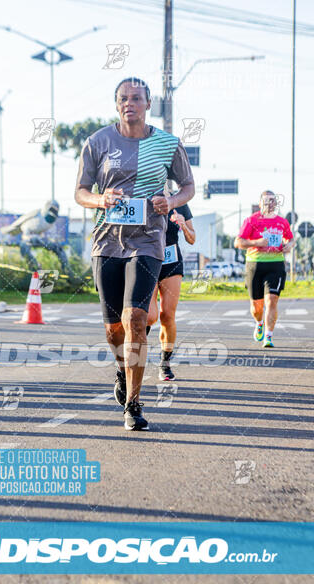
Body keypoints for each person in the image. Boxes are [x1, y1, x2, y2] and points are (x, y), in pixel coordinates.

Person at [75, 77, 195, 430]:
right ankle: (120, 369)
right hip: (107, 243)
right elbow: (81, 191)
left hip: (148, 243)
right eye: (123, 98)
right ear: (116, 105)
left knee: (136, 321)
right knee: (114, 331)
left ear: (148, 104)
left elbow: (188, 186)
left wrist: (170, 201)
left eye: (137, 98)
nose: (130, 103)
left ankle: (134, 404)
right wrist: (101, 199)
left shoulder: (167, 144)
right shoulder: (98, 141)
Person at [234, 190, 294, 347]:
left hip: (276, 265)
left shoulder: (282, 222)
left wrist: (289, 245)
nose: (270, 203)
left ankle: (268, 336)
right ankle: (259, 323)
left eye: (273, 200)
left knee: (272, 300)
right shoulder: (251, 221)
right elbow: (238, 242)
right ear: (260, 203)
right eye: (266, 200)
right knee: (256, 306)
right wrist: (256, 243)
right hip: (255, 265)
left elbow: (291, 238)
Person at [147, 205, 195, 380]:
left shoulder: (179, 202)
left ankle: (165, 363)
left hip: (171, 261)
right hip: (147, 259)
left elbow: (192, 239)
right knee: (149, 316)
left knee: (167, 314)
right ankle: (135, 354)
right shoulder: (143, 197)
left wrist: (183, 225)